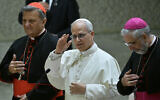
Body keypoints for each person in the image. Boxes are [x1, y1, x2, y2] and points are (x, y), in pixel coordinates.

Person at [44, 18, 121, 100]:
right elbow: (57, 81)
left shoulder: (106, 60)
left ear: (92, 34)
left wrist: (86, 89)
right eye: (74, 36)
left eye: (81, 35)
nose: (77, 40)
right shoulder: (68, 56)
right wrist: (58, 52)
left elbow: (116, 90)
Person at [0, 2, 64, 100]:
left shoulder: (56, 44)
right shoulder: (18, 43)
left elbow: (55, 78)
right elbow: (2, 72)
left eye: (31, 21)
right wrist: (9, 70)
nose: (26, 25)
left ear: (43, 21)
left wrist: (30, 96)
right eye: (24, 20)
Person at [117, 17, 160, 100]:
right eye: (128, 44)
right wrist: (123, 82)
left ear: (144, 36)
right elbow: (122, 87)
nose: (130, 48)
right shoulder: (137, 52)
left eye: (132, 43)